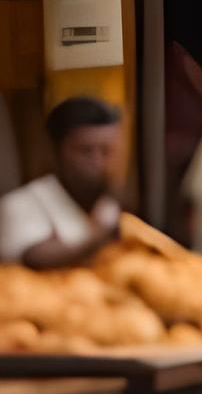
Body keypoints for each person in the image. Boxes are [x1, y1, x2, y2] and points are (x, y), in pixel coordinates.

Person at [0, 96, 124, 268]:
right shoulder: (19, 205)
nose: (98, 162)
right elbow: (33, 259)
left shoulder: (110, 205)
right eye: (86, 151)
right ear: (54, 152)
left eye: (106, 151)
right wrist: (97, 236)